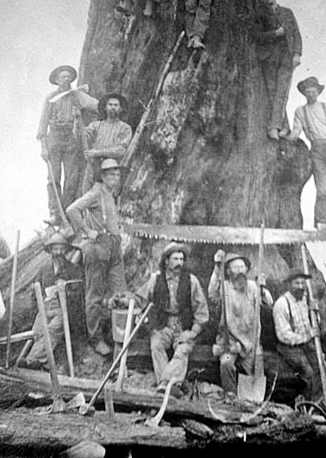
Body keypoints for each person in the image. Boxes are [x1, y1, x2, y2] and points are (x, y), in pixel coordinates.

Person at [66, 158, 128, 355]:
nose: (115, 178)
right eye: (110, 174)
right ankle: (96, 339)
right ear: (102, 176)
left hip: (114, 247)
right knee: (95, 295)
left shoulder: (112, 195)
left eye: (117, 174)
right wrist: (86, 230)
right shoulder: (96, 192)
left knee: (121, 293)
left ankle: (120, 338)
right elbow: (72, 210)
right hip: (97, 246)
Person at [135, 242, 209, 397]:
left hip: (183, 325)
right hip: (163, 324)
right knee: (156, 345)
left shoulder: (191, 281)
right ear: (166, 261)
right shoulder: (156, 279)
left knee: (182, 350)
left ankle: (165, 384)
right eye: (175, 259)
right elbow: (141, 299)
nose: (179, 263)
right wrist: (142, 316)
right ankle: (169, 386)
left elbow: (202, 311)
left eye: (181, 259)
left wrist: (193, 332)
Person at [37, 65, 98, 225]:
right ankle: (55, 214)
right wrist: (44, 148)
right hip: (54, 139)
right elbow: (42, 126)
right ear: (57, 80)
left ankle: (67, 212)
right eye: (62, 77)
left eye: (68, 76)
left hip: (70, 138)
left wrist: (108, 107)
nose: (66, 79)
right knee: (53, 178)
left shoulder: (77, 95)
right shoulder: (50, 98)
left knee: (72, 178)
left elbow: (95, 105)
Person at [208, 250, 273, 400]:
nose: (240, 271)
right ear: (229, 271)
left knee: (255, 372)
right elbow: (212, 295)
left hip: (251, 342)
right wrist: (217, 267)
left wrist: (262, 290)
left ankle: (252, 403)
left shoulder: (253, 287)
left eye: (242, 267)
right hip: (229, 343)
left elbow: (268, 304)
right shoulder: (224, 287)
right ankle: (230, 396)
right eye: (235, 268)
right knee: (226, 364)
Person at [20, 232, 83, 371]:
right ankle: (44, 363)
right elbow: (35, 291)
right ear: (50, 250)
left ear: (66, 250)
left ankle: (31, 360)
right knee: (37, 331)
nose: (59, 252)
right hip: (44, 307)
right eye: (55, 249)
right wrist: (38, 307)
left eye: (61, 249)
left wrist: (65, 288)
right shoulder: (43, 268)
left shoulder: (72, 269)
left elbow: (78, 293)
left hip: (62, 309)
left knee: (52, 329)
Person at [288, 77, 326, 226]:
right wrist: (287, 137)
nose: (311, 94)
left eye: (313, 91)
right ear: (304, 93)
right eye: (308, 92)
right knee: (322, 187)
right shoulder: (300, 111)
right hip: (316, 148)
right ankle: (320, 221)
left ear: (318, 92)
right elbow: (296, 131)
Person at [251, 0, 302, 140]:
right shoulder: (260, 15)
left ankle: (274, 127)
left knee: (282, 92)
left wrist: (297, 54)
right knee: (273, 93)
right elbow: (257, 36)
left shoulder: (287, 13)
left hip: (286, 57)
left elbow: (296, 34)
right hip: (269, 58)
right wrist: (275, 33)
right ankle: (284, 127)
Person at [273, 269, 323, 403]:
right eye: (296, 283)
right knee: (310, 375)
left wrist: (316, 312)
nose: (300, 286)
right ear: (289, 284)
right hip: (289, 347)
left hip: (306, 344)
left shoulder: (306, 300)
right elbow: (284, 335)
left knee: (325, 372)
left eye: (302, 283)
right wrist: (308, 336)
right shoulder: (281, 304)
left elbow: (314, 324)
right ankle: (305, 405)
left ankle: (318, 405)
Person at [82, 93, 132, 192]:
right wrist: (77, 120)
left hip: (111, 168)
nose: (113, 108)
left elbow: (120, 151)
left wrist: (97, 153)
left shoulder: (125, 128)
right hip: (93, 166)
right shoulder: (96, 126)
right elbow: (82, 137)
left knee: (106, 197)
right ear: (105, 108)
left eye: (116, 105)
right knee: (87, 194)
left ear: (121, 109)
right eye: (110, 105)